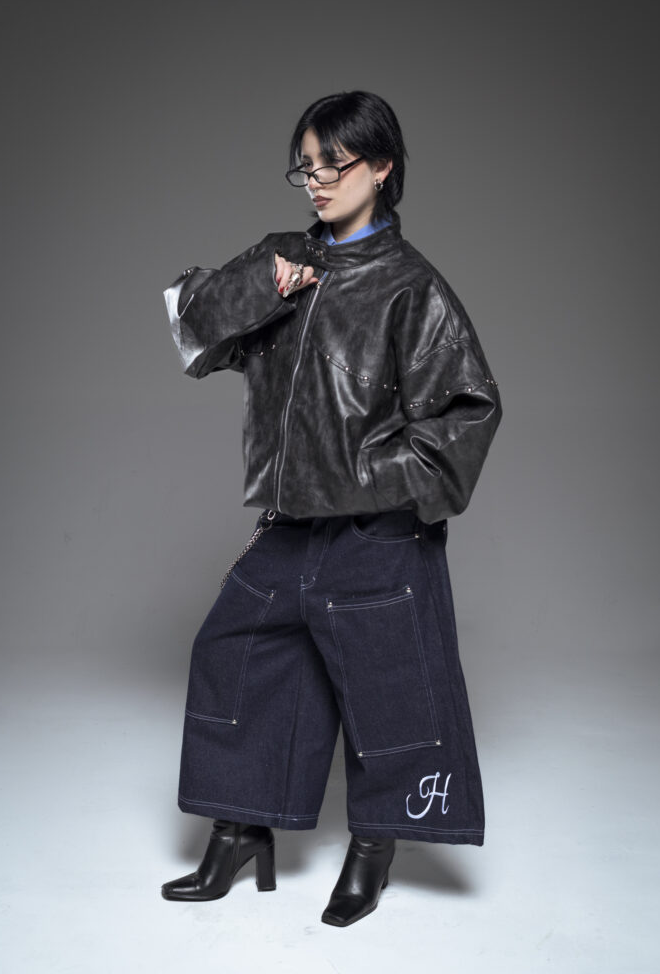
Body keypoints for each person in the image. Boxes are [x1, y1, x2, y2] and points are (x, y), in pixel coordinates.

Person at [160, 90, 502, 927]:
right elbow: (192, 329)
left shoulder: (411, 287)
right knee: (238, 656)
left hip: (375, 533)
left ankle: (373, 849)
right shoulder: (281, 258)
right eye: (304, 166)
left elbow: (468, 412)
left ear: (380, 167)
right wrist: (261, 287)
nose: (314, 180)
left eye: (332, 164)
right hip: (289, 527)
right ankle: (240, 830)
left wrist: (372, 477)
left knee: (389, 688)